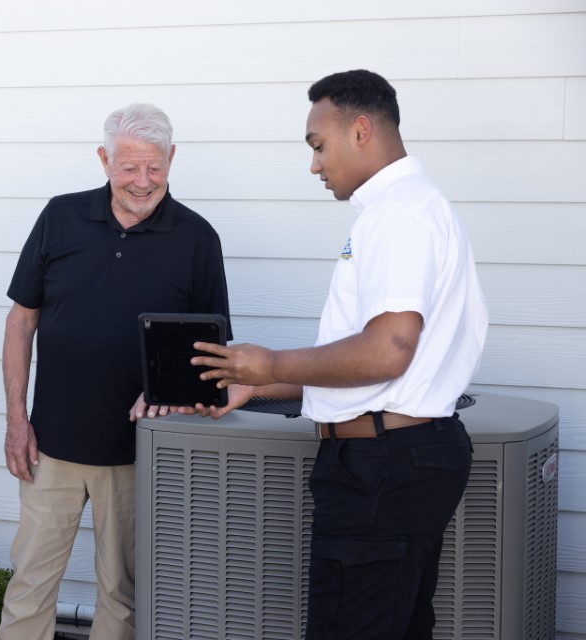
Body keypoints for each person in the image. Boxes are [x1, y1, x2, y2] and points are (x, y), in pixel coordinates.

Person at [190, 70, 488, 639]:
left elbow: (388, 352)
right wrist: (254, 384)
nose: (314, 166)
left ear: (360, 129)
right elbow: (367, 366)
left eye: (318, 146)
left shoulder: (398, 213)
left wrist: (272, 363)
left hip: (381, 468)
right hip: (399, 459)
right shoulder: (409, 208)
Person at [0, 103, 232, 640]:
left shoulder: (198, 239)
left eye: (155, 166)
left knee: (123, 597)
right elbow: (20, 321)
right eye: (129, 167)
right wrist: (16, 417)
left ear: (172, 159)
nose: (143, 181)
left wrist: (174, 396)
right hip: (49, 445)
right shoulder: (61, 216)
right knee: (29, 586)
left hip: (139, 452)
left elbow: (214, 355)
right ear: (104, 160)